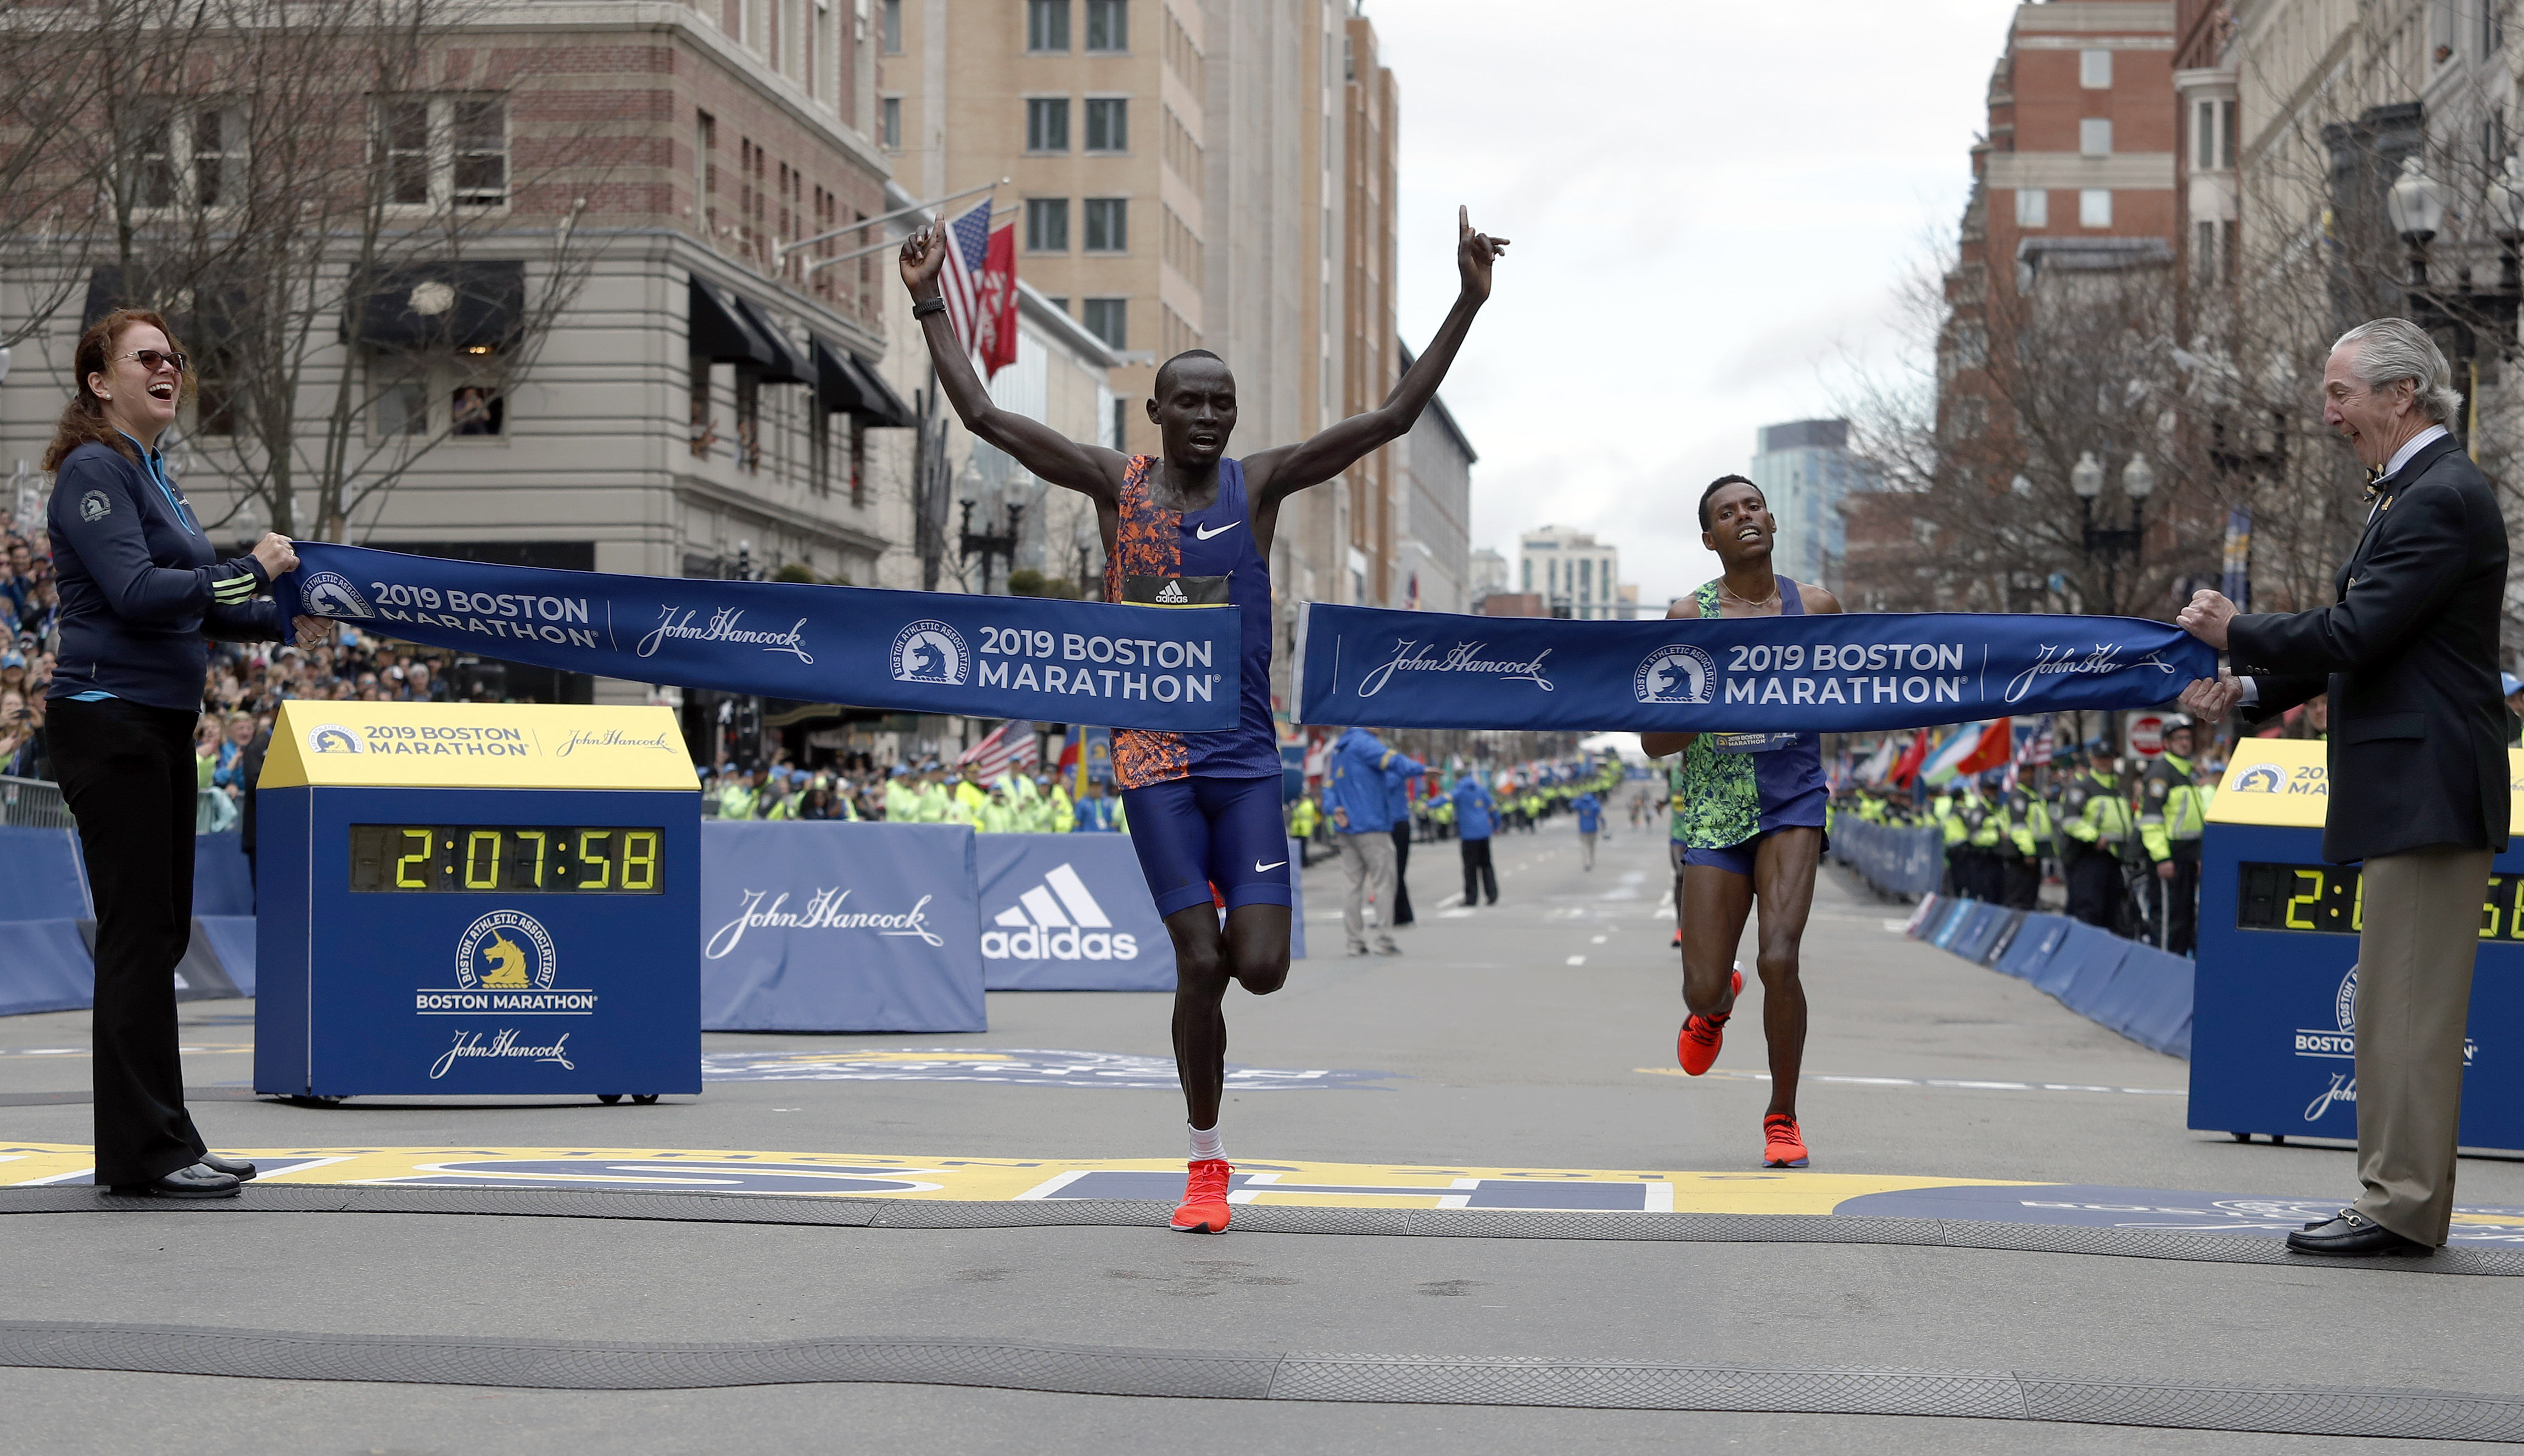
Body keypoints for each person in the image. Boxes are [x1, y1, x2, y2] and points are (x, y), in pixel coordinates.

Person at [900, 203, 1505, 1236]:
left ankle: (1229, 925)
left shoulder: (1257, 486)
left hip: (1242, 760)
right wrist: (927, 305)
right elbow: (988, 420)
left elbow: (1394, 418)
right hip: (1151, 758)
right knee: (1197, 962)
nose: (1210, 417)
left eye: (1223, 402)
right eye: (1191, 402)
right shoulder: (1113, 484)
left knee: (1257, 967)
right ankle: (1207, 1161)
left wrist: (1466, 300)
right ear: (1155, 411)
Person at [2178, 317, 2508, 1258]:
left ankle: (2400, 1204)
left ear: (2402, 394)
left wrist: (2239, 633)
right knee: (2398, 1012)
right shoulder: (2413, 492)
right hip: (2415, 787)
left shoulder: (2439, 495)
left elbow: (2358, 630)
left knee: (2404, 1013)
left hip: (2427, 789)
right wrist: (2246, 687)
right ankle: (2403, 1197)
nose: (2326, 414)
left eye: (2339, 393)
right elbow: (2372, 643)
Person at [44, 308, 323, 1199]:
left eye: (175, 357)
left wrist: (284, 616)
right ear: (100, 381)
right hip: (108, 718)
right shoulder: (93, 470)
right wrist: (251, 571)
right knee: (136, 936)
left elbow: (194, 604)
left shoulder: (153, 474)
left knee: (159, 934)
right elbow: (134, 591)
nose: (170, 368)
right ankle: (144, 1155)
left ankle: (164, 1138)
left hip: (159, 722)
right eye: (147, 357)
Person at [1640, 475, 1839, 1170]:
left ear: (1772, 520)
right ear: (1710, 539)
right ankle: (1714, 1005)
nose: (1743, 517)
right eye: (1727, 513)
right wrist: (1710, 707)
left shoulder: (1815, 607)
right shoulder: (1687, 619)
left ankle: (1781, 1116)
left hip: (1792, 804)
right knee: (1700, 983)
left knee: (1780, 957)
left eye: (1752, 506)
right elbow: (1654, 742)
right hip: (1717, 812)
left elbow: (1855, 694)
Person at [1327, 725, 1426, 956]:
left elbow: (1329, 787)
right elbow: (1393, 762)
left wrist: (1334, 809)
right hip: (1372, 825)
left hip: (1347, 827)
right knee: (1384, 883)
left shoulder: (1339, 749)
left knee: (1352, 885)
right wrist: (1421, 769)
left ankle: (1354, 941)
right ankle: (1384, 939)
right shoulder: (1365, 743)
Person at [2136, 716, 2207, 955]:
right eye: (2179, 738)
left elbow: (2192, 821)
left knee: (2186, 918)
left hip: (2187, 857)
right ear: (2166, 742)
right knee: (2169, 920)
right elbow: (2151, 820)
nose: (2185, 743)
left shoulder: (2187, 771)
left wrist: (2198, 855)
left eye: (2188, 737)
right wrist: (2162, 858)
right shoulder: (2161, 772)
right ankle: (2163, 973)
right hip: (2170, 857)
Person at [2056, 746, 2132, 930]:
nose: (2105, 762)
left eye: (2108, 758)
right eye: (2100, 758)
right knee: (2088, 910)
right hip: (2088, 857)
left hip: (2114, 858)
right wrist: (2095, 838)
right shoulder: (2081, 788)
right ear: (2092, 760)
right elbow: (2070, 820)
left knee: (2112, 911)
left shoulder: (2118, 790)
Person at [1451, 769, 1498, 906]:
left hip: (1469, 835)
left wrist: (1428, 805)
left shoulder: (1460, 790)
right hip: (1484, 832)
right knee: (1487, 865)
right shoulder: (1481, 790)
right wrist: (1495, 825)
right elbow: (1493, 808)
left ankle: (1471, 897)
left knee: (1470, 868)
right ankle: (1492, 894)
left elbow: (1445, 799)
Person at [1383, 751, 1417, 926]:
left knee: (1395, 871)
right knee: (1395, 872)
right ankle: (1402, 913)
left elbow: (1381, 787)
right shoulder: (1393, 774)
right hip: (1395, 825)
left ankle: (1399, 914)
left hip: (1397, 825)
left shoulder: (1391, 776)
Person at [1573, 786, 1602, 870]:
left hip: (1583, 828)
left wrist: (1578, 798)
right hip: (1593, 828)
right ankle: (1591, 859)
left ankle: (1587, 861)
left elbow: (1573, 805)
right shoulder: (1595, 803)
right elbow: (1600, 815)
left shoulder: (1581, 803)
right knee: (1592, 846)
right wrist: (1603, 825)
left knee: (1585, 846)